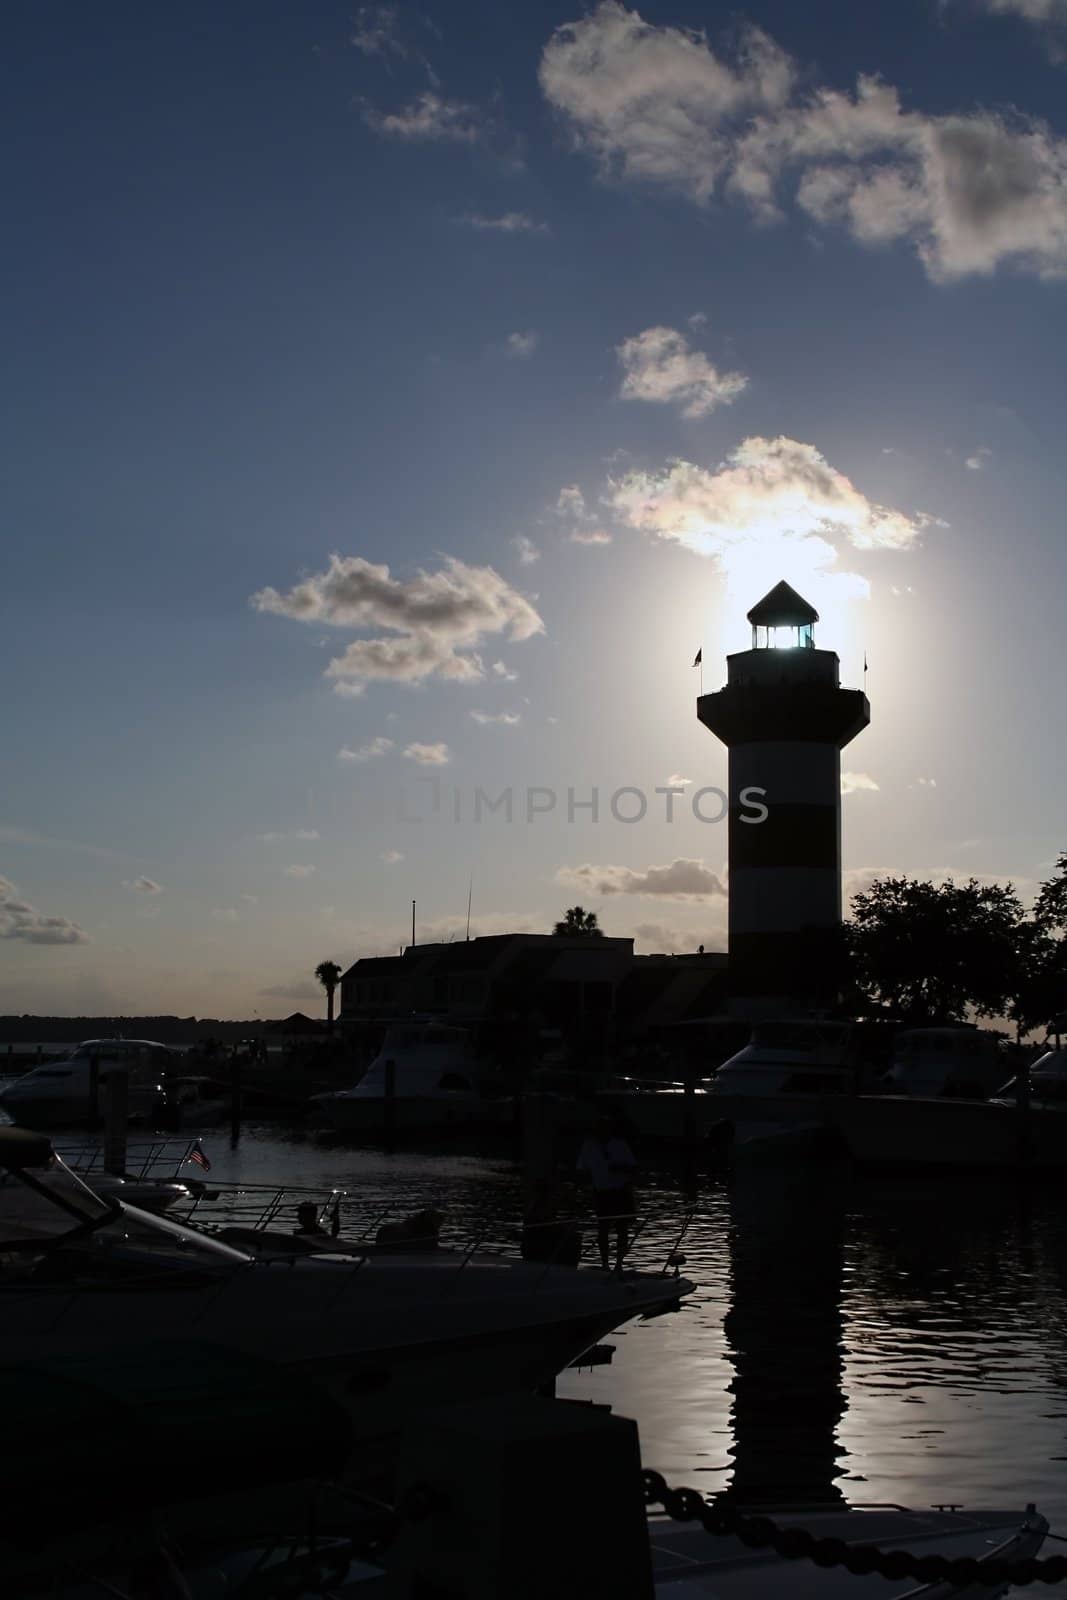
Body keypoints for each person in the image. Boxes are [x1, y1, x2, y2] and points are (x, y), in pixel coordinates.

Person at [576, 1113, 638, 1272]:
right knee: (602, 1228)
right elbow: (582, 1169)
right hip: (601, 1191)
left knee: (621, 1229)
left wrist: (618, 1168)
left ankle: (619, 1263)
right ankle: (605, 1263)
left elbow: (633, 1167)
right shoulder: (588, 1146)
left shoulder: (619, 1144)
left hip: (620, 1191)